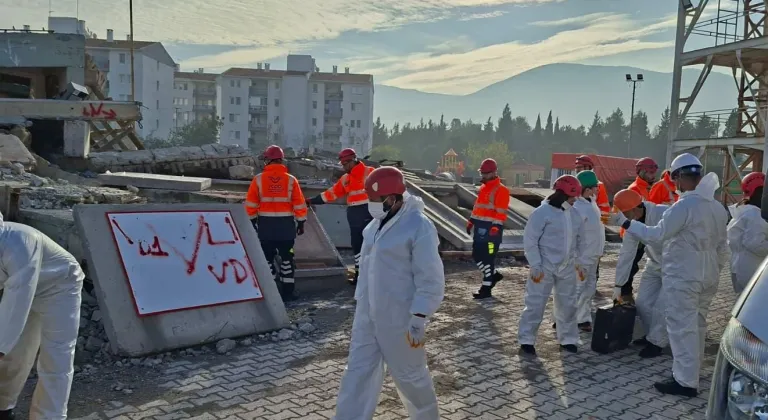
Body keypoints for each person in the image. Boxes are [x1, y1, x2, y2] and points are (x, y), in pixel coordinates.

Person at [606, 152, 728, 397]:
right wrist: (714, 270)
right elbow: (722, 247)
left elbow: (655, 235)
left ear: (678, 178)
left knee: (681, 327)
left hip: (684, 276)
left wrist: (624, 222)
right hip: (708, 275)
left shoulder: (682, 207)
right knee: (697, 325)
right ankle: (692, 374)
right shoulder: (717, 207)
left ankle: (684, 382)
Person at [334, 166, 445, 420]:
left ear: (393, 198)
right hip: (368, 316)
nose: (372, 205)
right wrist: (360, 304)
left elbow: (431, 277)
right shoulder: (373, 227)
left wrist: (420, 316)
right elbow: (367, 271)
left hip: (401, 319)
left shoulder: (418, 226)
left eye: (376, 200)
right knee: (357, 373)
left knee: (411, 377)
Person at [0, 213, 85, 419]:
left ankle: (49, 416)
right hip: (23, 291)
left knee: (56, 357)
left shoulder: (19, 243)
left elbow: (17, 302)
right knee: (16, 354)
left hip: (61, 286)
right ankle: (3, 407)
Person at [518, 175, 583, 356]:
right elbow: (530, 240)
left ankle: (568, 339)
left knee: (568, 305)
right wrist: (535, 264)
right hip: (544, 267)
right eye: (572, 197)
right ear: (561, 195)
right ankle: (526, 340)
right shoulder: (542, 213)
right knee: (535, 304)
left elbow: (578, 241)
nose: (574, 200)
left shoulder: (574, 214)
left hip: (566, 267)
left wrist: (579, 262)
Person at [609, 189, 669, 358]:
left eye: (625, 213)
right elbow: (626, 256)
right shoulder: (631, 225)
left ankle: (657, 343)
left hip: (675, 266)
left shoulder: (664, 213)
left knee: (662, 307)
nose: (624, 218)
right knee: (643, 303)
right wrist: (618, 286)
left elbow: (655, 236)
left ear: (636, 208)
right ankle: (651, 335)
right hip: (655, 264)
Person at [244, 145, 308, 301]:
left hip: (266, 226)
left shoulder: (258, 179)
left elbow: (250, 204)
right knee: (287, 258)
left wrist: (252, 221)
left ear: (267, 160)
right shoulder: (291, 180)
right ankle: (288, 293)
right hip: (286, 226)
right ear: (281, 160)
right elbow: (299, 203)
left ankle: (271, 294)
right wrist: (301, 222)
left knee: (267, 259)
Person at [307, 148, 374, 287]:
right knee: (357, 246)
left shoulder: (371, 172)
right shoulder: (346, 179)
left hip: (370, 213)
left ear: (353, 160)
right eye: (342, 164)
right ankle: (360, 275)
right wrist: (312, 200)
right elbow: (330, 194)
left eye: (345, 164)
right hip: (355, 215)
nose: (343, 167)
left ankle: (373, 275)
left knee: (372, 245)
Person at [466, 158, 510, 299]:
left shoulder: (501, 190)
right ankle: (494, 276)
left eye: (486, 173)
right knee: (477, 255)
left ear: (494, 172)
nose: (483, 175)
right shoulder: (484, 188)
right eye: (482, 173)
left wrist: (496, 227)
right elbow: (478, 208)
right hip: (480, 229)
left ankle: (486, 288)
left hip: (492, 232)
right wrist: (471, 221)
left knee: (488, 258)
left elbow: (501, 211)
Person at [572, 170, 605, 332]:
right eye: (595, 187)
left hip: (594, 255)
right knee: (577, 289)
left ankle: (582, 318)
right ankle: (566, 319)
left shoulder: (591, 203)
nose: (597, 190)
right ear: (587, 189)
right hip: (582, 258)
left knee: (589, 288)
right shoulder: (577, 208)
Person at [727, 171, 768, 294]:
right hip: (751, 270)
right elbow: (755, 244)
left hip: (740, 268)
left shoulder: (744, 211)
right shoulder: (755, 215)